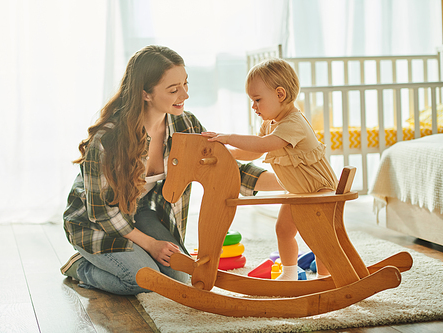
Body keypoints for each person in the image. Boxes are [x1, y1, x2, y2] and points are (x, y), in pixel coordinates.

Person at [60, 45, 277, 295]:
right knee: (144, 282)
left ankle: (129, 257)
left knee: (179, 278)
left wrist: (292, 182)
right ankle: (80, 267)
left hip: (140, 212)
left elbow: (224, 170)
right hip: (94, 223)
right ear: (146, 94)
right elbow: (101, 212)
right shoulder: (107, 139)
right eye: (173, 90)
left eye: (185, 84)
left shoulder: (185, 123)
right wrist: (151, 245)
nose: (184, 95)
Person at [202, 58, 338, 281]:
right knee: (283, 230)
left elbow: (264, 145)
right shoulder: (270, 123)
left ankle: (325, 279)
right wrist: (228, 153)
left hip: (319, 190)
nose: (253, 107)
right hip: (297, 191)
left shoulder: (293, 123)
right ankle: (289, 274)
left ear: (280, 94)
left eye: (257, 100)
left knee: (317, 236)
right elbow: (254, 152)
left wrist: (229, 137)